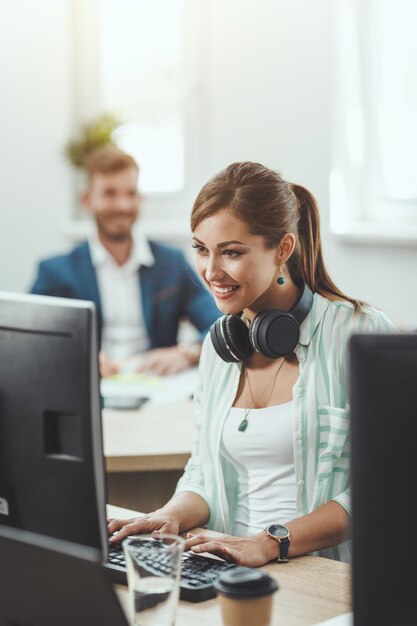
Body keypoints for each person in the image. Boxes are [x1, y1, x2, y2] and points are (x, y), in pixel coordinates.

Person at [108, 161, 397, 565]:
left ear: (282, 249)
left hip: (321, 574)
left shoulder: (358, 333)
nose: (211, 272)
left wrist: (269, 542)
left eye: (231, 252)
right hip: (225, 564)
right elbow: (204, 471)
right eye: (201, 249)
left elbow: (388, 485)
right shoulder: (219, 345)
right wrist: (168, 515)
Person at [30, 147, 220, 377]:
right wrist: (72, 359)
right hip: (88, 388)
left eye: (130, 194)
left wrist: (187, 352)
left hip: (158, 388)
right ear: (87, 200)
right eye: (110, 193)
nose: (123, 206)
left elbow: (216, 325)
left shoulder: (171, 263)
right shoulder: (56, 272)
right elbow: (30, 342)